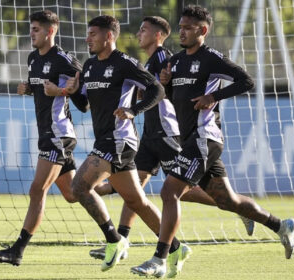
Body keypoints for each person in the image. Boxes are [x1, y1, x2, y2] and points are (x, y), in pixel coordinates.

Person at [131, 5, 294, 278]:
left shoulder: (212, 59)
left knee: (168, 193)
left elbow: (247, 81)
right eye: (181, 27)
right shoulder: (178, 62)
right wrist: (167, 84)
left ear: (203, 30)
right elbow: (177, 100)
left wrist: (214, 97)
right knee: (226, 200)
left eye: (187, 28)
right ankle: (281, 225)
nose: (181, 32)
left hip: (205, 138)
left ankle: (161, 258)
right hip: (191, 141)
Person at [89, 16, 255, 277]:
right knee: (137, 192)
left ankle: (235, 207)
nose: (138, 34)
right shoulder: (153, 62)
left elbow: (161, 92)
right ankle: (122, 240)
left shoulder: (164, 59)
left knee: (179, 192)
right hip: (150, 135)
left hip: (167, 135)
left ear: (158, 35)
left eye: (143, 30)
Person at [54, 14, 193, 273]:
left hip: (118, 139)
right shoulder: (90, 66)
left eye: (93, 34)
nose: (87, 39)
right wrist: (73, 92)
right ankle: (175, 247)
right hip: (111, 140)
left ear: (109, 36)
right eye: (88, 34)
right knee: (136, 202)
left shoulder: (126, 64)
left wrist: (134, 110)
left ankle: (114, 240)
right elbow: (84, 105)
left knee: (78, 188)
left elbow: (158, 90)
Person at [0, 10, 92, 266]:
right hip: (47, 134)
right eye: (31, 28)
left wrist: (63, 90)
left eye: (36, 29)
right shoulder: (33, 58)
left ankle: (17, 251)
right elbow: (43, 90)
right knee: (72, 193)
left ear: (51, 31)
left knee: (37, 189)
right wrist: (28, 89)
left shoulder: (65, 60)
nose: (31, 33)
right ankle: (116, 224)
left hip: (59, 134)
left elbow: (84, 101)